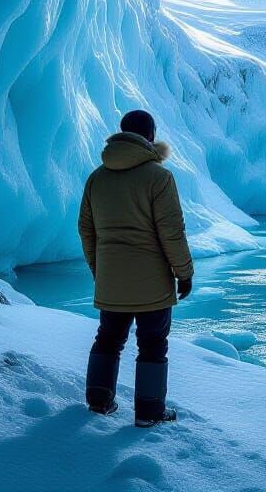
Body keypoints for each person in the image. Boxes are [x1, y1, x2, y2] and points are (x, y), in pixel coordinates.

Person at [78, 109, 194, 427]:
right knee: (153, 344)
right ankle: (149, 411)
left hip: (111, 280)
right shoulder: (159, 177)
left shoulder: (97, 178)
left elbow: (86, 230)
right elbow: (172, 231)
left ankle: (99, 402)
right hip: (152, 283)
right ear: (150, 136)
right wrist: (184, 273)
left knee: (108, 338)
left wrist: (99, 270)